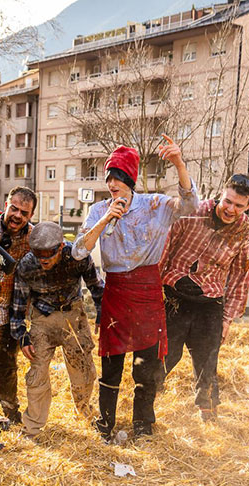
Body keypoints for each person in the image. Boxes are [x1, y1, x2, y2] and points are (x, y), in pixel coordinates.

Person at [72, 137, 198, 442]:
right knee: (111, 363)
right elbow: (78, 251)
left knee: (147, 363)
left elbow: (190, 206)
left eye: (118, 177)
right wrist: (106, 219)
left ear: (130, 179)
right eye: (109, 178)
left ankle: (143, 423)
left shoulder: (155, 204)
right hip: (116, 289)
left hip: (147, 288)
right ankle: (105, 422)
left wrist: (179, 164)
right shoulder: (99, 209)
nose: (112, 184)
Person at [154, 174, 249, 421]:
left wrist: (227, 318)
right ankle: (148, 399)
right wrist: (155, 292)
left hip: (210, 301)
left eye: (239, 205)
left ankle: (207, 411)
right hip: (175, 296)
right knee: (166, 355)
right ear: (221, 195)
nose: (231, 209)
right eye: (228, 201)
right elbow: (164, 251)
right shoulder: (193, 213)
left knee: (207, 360)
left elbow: (240, 276)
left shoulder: (246, 231)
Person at [11, 222, 103, 440]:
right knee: (37, 373)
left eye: (48, 253)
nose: (43, 259)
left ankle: (84, 412)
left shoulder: (77, 257)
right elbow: (17, 306)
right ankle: (32, 428)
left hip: (74, 314)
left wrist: (102, 312)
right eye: (38, 253)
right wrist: (23, 337)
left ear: (61, 246)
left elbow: (96, 286)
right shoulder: (26, 265)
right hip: (42, 318)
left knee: (83, 370)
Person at [0, 186, 36, 427]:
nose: (17, 215)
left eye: (24, 213)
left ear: (31, 216)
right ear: (6, 205)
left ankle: (11, 414)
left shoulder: (33, 237)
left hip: (9, 313)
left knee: (8, 368)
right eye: (14, 209)